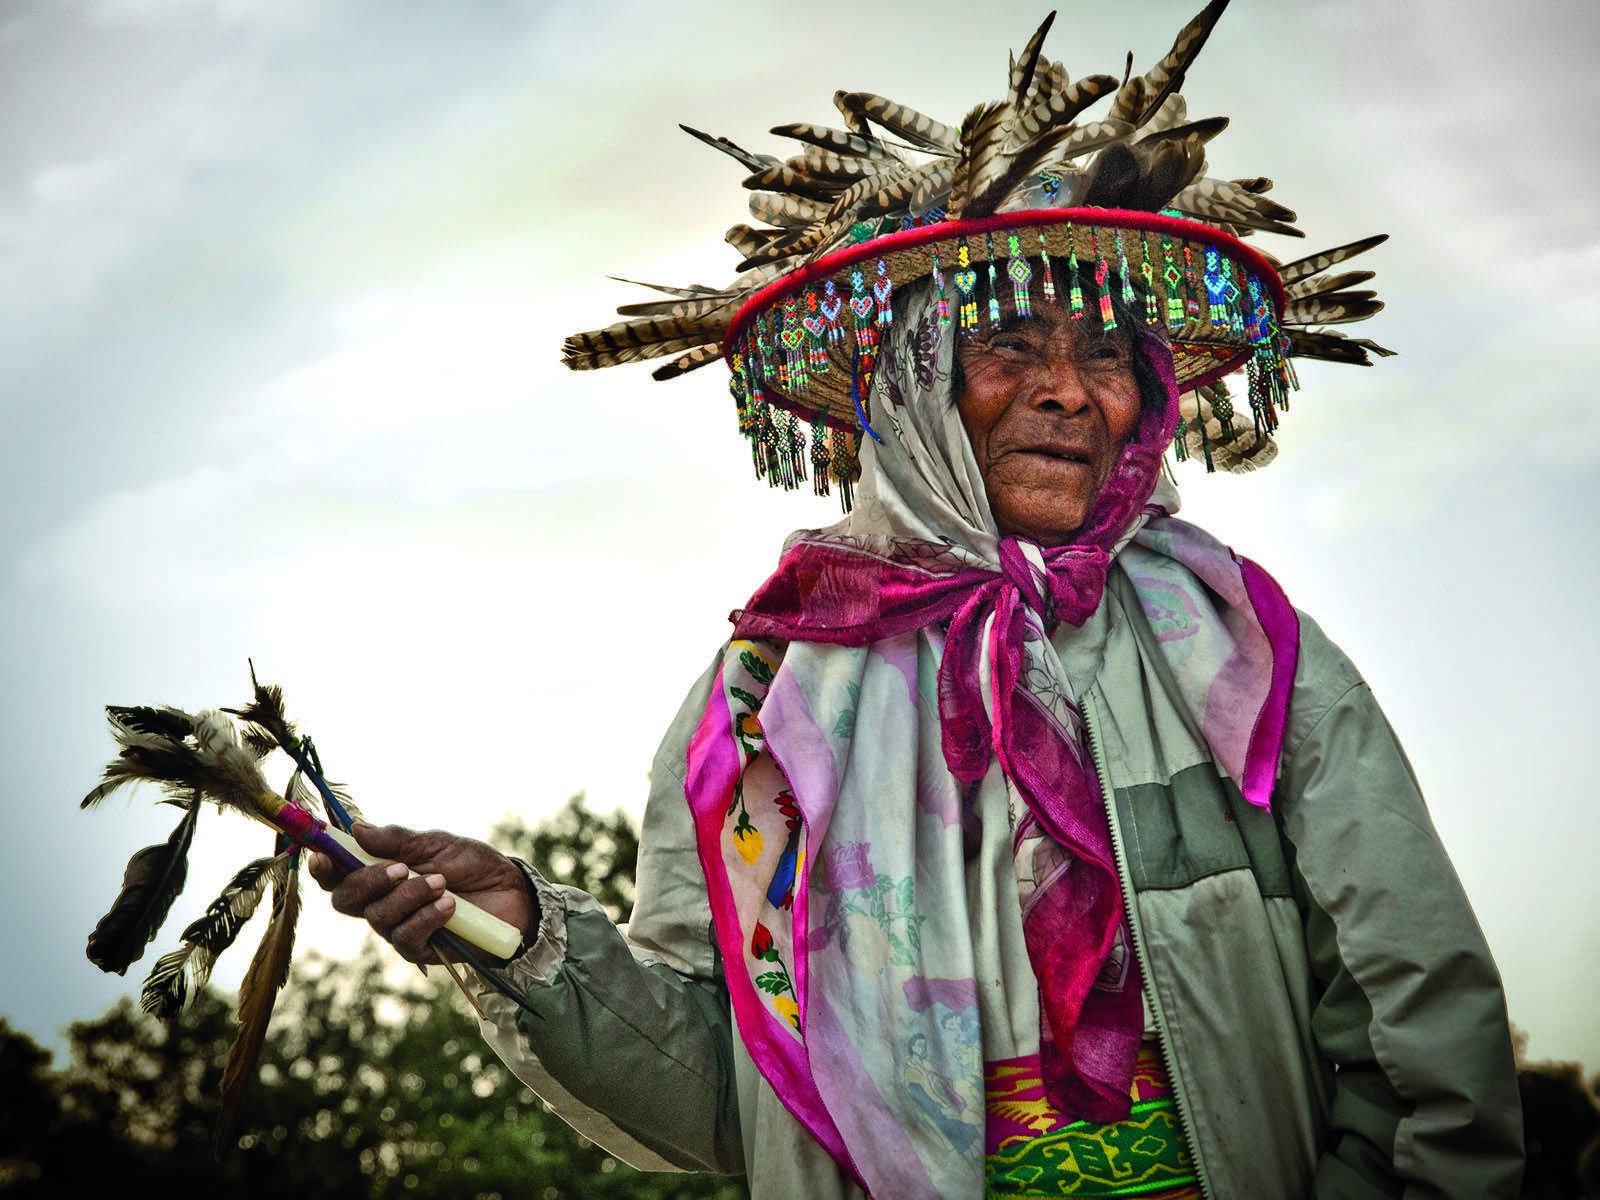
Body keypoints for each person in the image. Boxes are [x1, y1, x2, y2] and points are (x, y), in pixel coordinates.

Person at [309, 5, 1524, 1197]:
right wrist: (528, 940)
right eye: (1008, 347)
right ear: (912, 386)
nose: (1066, 391)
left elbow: (1417, 1017)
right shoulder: (763, 695)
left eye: (1104, 352)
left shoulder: (1247, 651)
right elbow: (731, 1096)